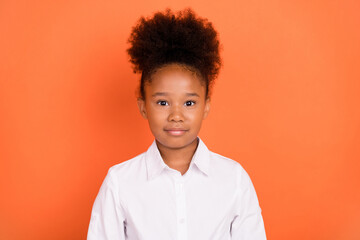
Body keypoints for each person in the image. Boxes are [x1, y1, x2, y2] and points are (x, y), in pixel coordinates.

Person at [87, 8, 266, 240]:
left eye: (189, 102)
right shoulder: (120, 182)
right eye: (162, 102)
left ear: (206, 106)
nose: (176, 115)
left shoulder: (234, 179)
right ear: (143, 107)